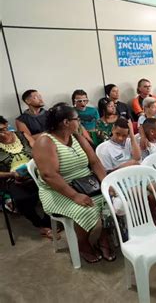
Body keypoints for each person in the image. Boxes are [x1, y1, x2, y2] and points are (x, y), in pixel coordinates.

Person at [33, 103, 115, 263]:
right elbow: (49, 175)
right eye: (77, 119)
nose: (80, 122)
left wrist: (106, 184)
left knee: (111, 201)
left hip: (86, 183)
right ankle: (83, 244)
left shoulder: (76, 137)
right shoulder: (45, 142)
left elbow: (95, 162)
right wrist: (75, 195)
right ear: (66, 122)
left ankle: (103, 238)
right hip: (58, 189)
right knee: (86, 210)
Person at [0, 116, 53, 239]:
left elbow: (37, 151)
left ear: (7, 125)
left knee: (53, 188)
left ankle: (49, 221)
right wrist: (12, 174)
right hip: (11, 178)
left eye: (3, 129)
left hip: (35, 170)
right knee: (22, 199)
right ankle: (40, 225)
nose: (2, 134)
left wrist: (37, 166)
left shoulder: (22, 135)